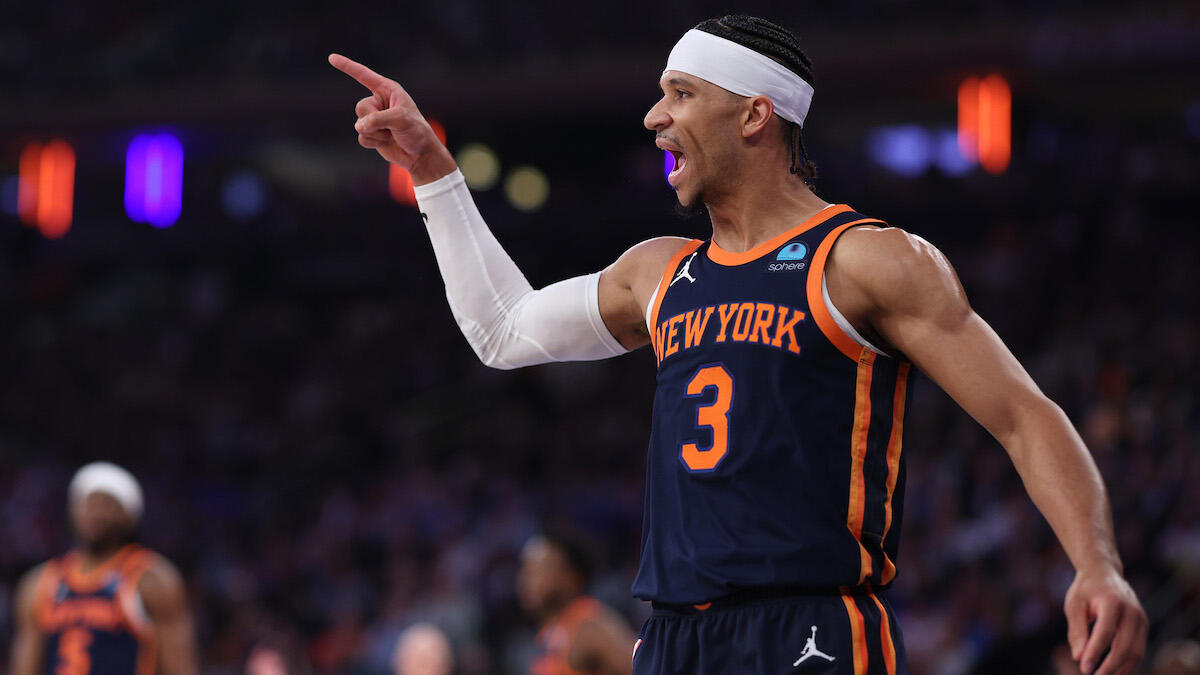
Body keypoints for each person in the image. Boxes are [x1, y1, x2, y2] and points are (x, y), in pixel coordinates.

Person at [329, 13, 1147, 675]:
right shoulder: (658, 272)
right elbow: (502, 329)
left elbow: (1022, 415)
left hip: (809, 626)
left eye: (680, 94)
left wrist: (1097, 562)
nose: (654, 117)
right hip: (674, 635)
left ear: (755, 114)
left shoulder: (865, 260)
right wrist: (433, 170)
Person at [10, 462, 197, 675]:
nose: (95, 512)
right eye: (87, 503)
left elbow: (180, 666)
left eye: (107, 504)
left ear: (129, 516)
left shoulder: (150, 577)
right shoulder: (41, 582)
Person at [518, 534, 636, 675]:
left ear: (571, 577)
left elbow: (644, 667)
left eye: (541, 571)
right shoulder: (551, 631)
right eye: (527, 571)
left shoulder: (589, 625)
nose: (528, 580)